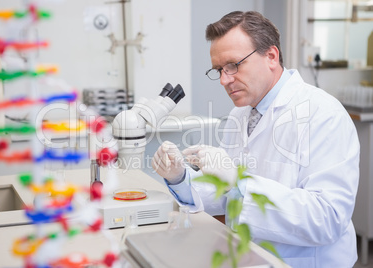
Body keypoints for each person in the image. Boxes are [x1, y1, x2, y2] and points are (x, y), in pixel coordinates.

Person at [151, 11, 360, 268]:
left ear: (271, 56)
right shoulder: (241, 113)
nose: (225, 80)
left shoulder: (323, 114)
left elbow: (327, 219)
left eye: (233, 65)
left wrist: (238, 181)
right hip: (252, 257)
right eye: (219, 70)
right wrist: (180, 178)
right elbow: (230, 196)